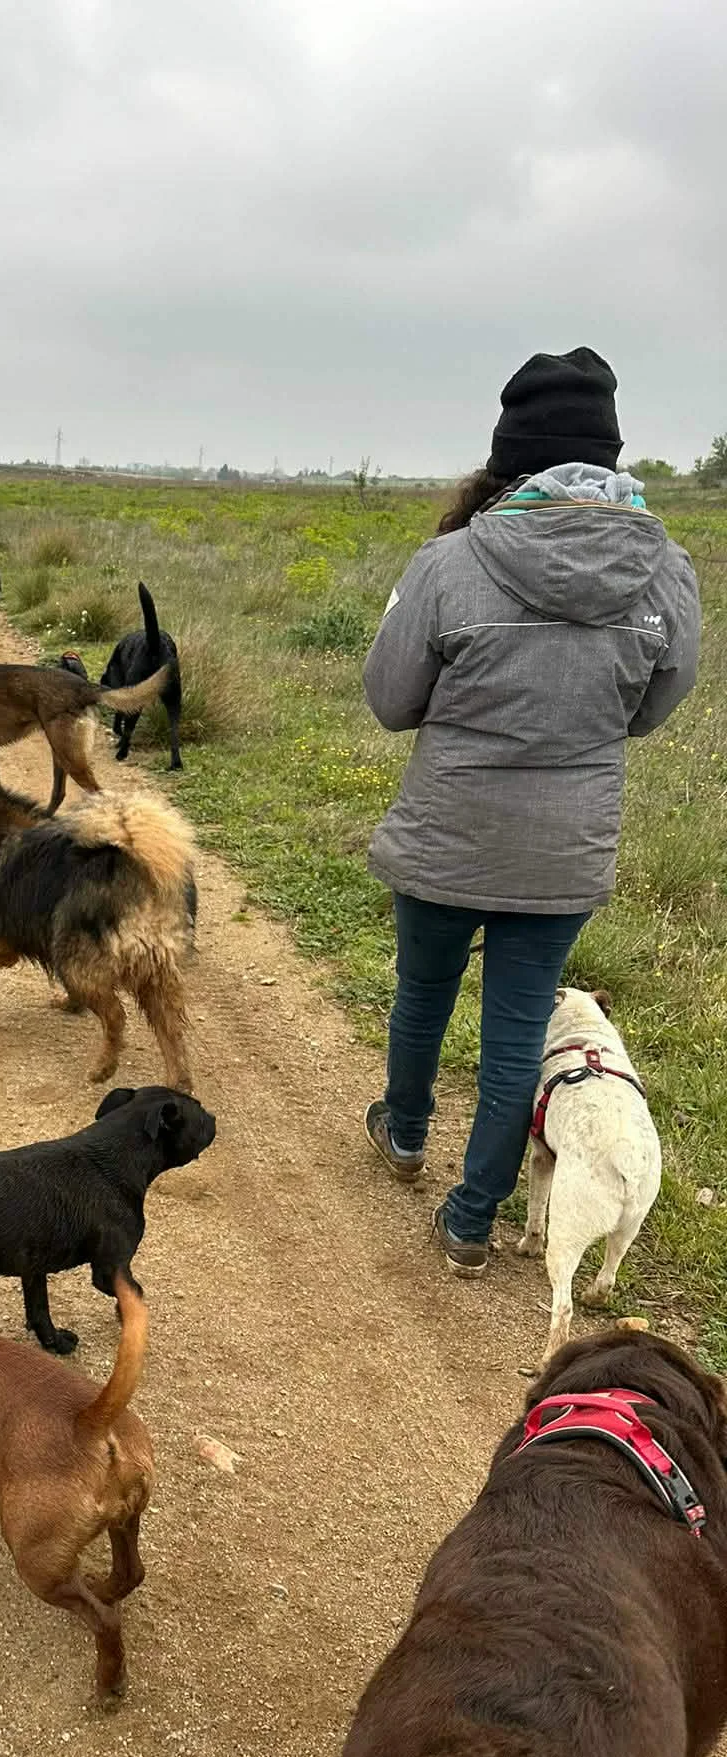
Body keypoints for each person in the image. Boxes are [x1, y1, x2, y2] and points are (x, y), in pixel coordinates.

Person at [361, 346, 700, 1274]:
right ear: (613, 456)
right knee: (516, 1036)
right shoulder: (668, 572)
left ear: (507, 454)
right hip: (565, 851)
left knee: (423, 991)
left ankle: (403, 1132)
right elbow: (655, 708)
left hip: (447, 831)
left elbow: (391, 700)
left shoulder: (450, 562)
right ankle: (473, 1219)